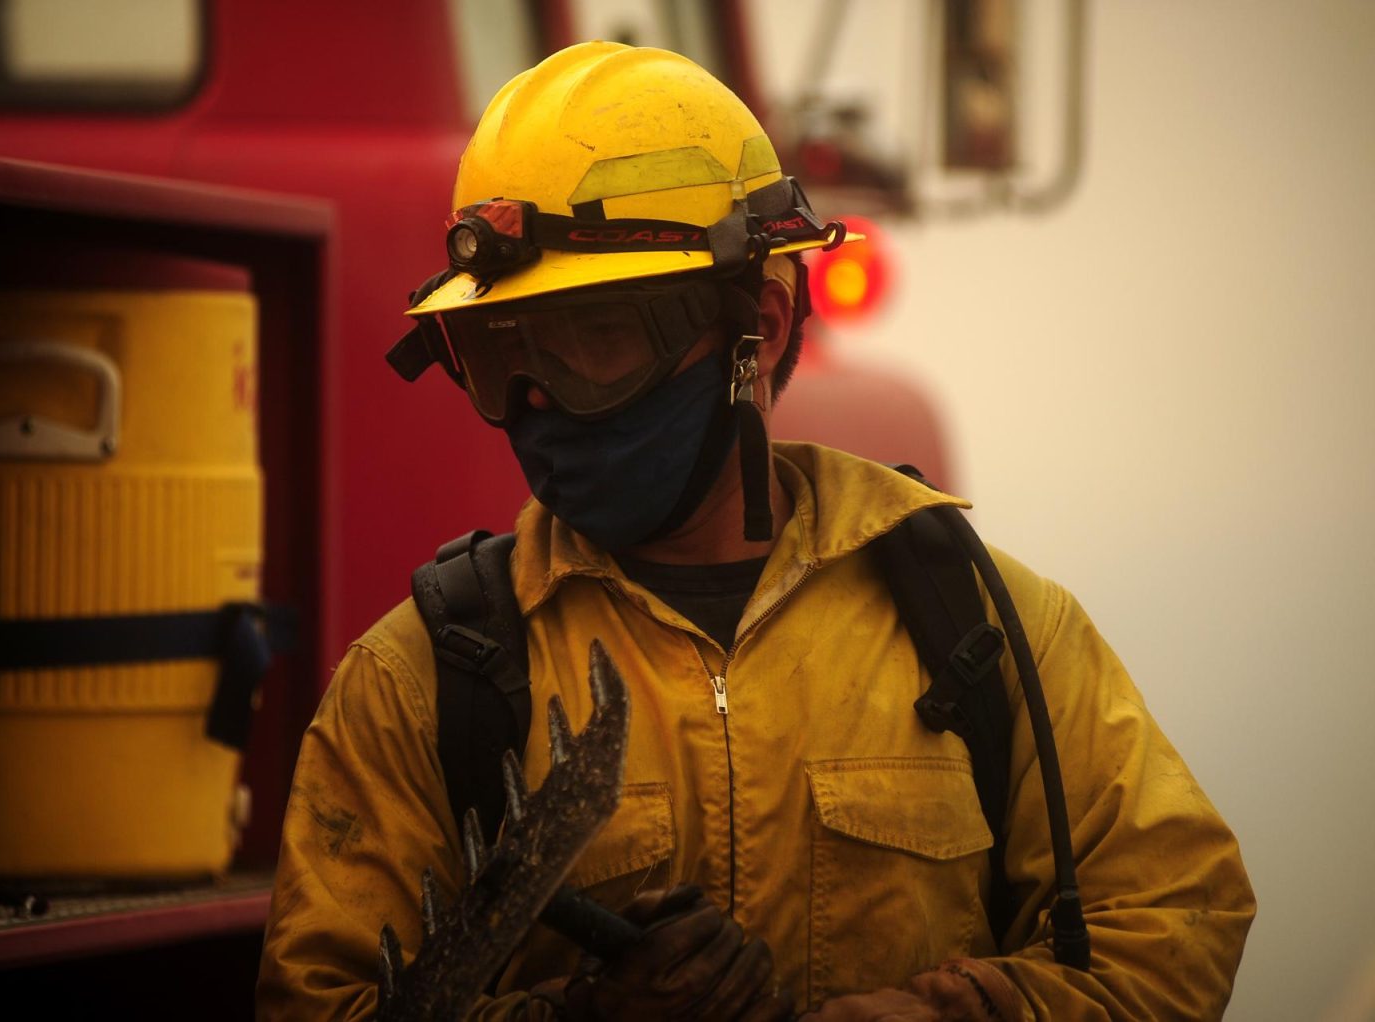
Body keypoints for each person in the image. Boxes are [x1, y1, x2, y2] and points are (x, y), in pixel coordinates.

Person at [257, 41, 1254, 1021]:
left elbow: (1175, 924)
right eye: (498, 350)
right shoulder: (422, 683)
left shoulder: (982, 628)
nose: (539, 400)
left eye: (596, 339)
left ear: (760, 329)